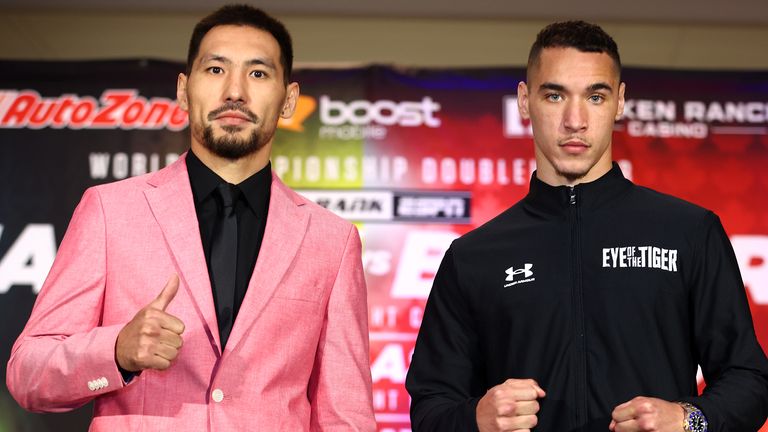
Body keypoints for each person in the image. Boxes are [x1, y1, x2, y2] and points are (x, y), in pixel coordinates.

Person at [6, 5, 376, 431]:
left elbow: (346, 416)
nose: (234, 91)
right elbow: (26, 374)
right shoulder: (110, 210)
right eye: (216, 70)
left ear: (288, 98)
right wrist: (115, 350)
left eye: (258, 74)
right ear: (184, 90)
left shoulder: (331, 239)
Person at [406, 20, 768, 432]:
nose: (575, 120)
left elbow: (749, 380)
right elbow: (431, 406)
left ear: (620, 102)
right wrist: (475, 419)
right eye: (555, 95)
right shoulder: (473, 257)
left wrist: (689, 420)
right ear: (525, 101)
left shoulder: (689, 231)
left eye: (595, 96)